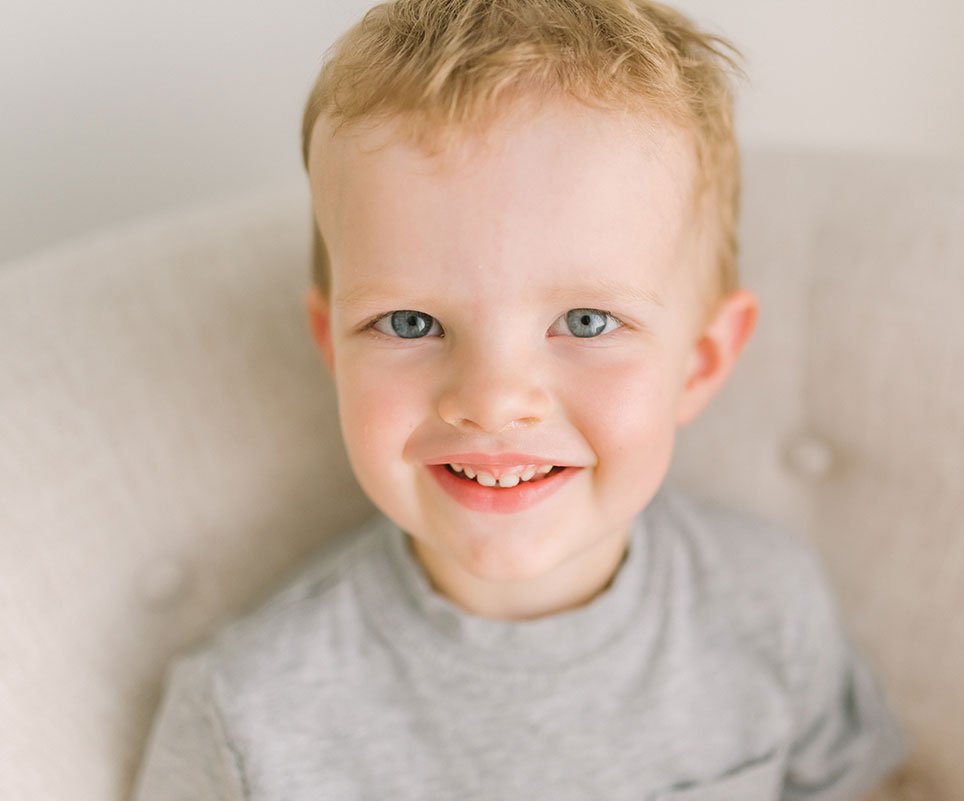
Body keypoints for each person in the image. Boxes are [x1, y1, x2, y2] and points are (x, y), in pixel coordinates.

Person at [131, 1, 909, 798]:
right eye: (411, 321)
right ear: (334, 347)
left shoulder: (767, 603)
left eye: (585, 320)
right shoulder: (251, 713)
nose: (495, 401)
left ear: (699, 363)